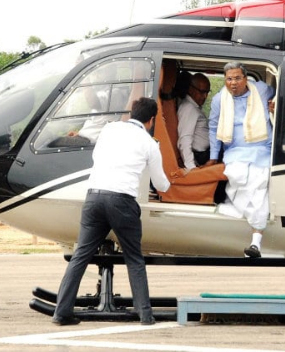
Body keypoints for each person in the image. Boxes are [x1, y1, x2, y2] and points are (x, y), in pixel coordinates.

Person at [52, 97, 171, 326]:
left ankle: (61, 312)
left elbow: (97, 157)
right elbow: (160, 183)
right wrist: (172, 183)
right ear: (151, 120)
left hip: (94, 197)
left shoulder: (109, 129)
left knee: (80, 256)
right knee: (133, 258)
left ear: (131, 113)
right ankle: (145, 315)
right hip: (122, 202)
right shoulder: (149, 143)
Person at [205, 62, 273, 258]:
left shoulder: (261, 89)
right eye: (229, 79)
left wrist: (274, 105)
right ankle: (254, 234)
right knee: (240, 179)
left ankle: (255, 241)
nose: (233, 83)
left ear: (245, 78)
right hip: (235, 152)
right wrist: (213, 157)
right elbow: (213, 128)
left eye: (237, 78)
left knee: (259, 186)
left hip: (263, 150)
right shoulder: (219, 100)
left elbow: (282, 94)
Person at [177, 72, 211, 170]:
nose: (205, 96)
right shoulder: (189, 108)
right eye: (202, 92)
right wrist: (191, 167)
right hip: (201, 156)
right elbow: (185, 138)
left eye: (207, 92)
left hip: (206, 153)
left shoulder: (194, 107)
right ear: (191, 90)